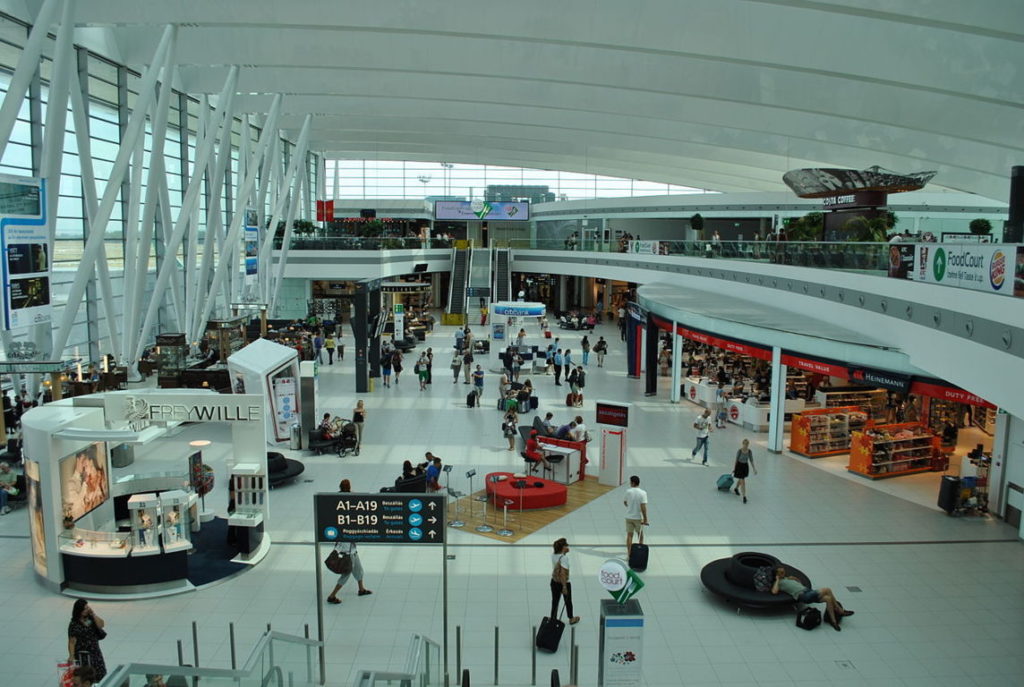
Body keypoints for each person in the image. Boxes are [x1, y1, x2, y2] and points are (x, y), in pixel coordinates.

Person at [325, 482, 373, 604]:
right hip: (347, 550)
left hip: (349, 549)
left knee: (359, 570)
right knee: (346, 574)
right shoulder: (349, 507)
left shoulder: (337, 501)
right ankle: (332, 595)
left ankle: (361, 589)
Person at [772, 566, 853, 631]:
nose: (784, 573)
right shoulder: (779, 583)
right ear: (777, 574)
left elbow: (800, 585)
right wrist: (777, 580)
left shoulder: (787, 578)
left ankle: (834, 622)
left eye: (784, 571)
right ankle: (840, 611)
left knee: (828, 598)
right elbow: (774, 591)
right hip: (803, 596)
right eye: (781, 572)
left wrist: (795, 579)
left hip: (808, 591)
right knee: (827, 589)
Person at [67, 599, 107, 681]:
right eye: (84, 609)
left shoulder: (90, 618)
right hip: (83, 655)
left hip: (95, 652)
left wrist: (93, 614)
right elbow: (72, 641)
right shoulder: (74, 624)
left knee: (100, 673)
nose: (87, 610)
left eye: (87, 607)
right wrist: (71, 655)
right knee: (86, 676)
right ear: (79, 610)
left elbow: (101, 625)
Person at [549, 538, 581, 624]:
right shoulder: (564, 558)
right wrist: (564, 586)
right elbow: (563, 573)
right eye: (566, 545)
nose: (568, 546)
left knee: (555, 601)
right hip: (563, 583)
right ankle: (571, 618)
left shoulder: (554, 555)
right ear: (563, 547)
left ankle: (553, 618)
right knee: (568, 601)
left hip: (554, 582)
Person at [623, 476, 649, 556]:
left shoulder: (628, 491)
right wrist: (645, 519)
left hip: (629, 517)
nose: (630, 483)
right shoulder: (643, 493)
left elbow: (625, 502)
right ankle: (639, 553)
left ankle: (629, 553)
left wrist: (630, 507)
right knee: (640, 535)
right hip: (638, 518)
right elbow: (643, 507)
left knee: (629, 535)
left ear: (633, 483)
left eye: (630, 482)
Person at [732, 439, 757, 504]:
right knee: (743, 481)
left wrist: (754, 469)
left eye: (747, 444)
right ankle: (744, 496)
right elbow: (736, 460)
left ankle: (736, 488)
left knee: (741, 480)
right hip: (739, 466)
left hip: (745, 466)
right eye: (745, 444)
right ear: (742, 444)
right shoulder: (739, 451)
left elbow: (751, 460)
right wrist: (734, 469)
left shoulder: (749, 451)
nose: (746, 446)